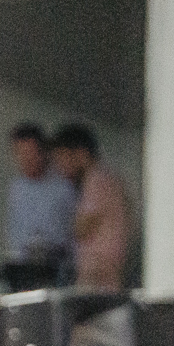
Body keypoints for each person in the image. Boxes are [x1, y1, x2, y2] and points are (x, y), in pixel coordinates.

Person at [50, 125, 133, 291]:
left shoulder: (97, 181)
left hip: (99, 276)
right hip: (102, 273)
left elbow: (82, 229)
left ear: (81, 153)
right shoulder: (104, 180)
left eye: (62, 158)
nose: (60, 167)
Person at [4, 123, 77, 273]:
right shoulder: (17, 187)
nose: (26, 159)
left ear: (42, 152)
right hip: (22, 267)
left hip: (57, 267)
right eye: (20, 153)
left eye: (30, 153)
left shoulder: (64, 185)